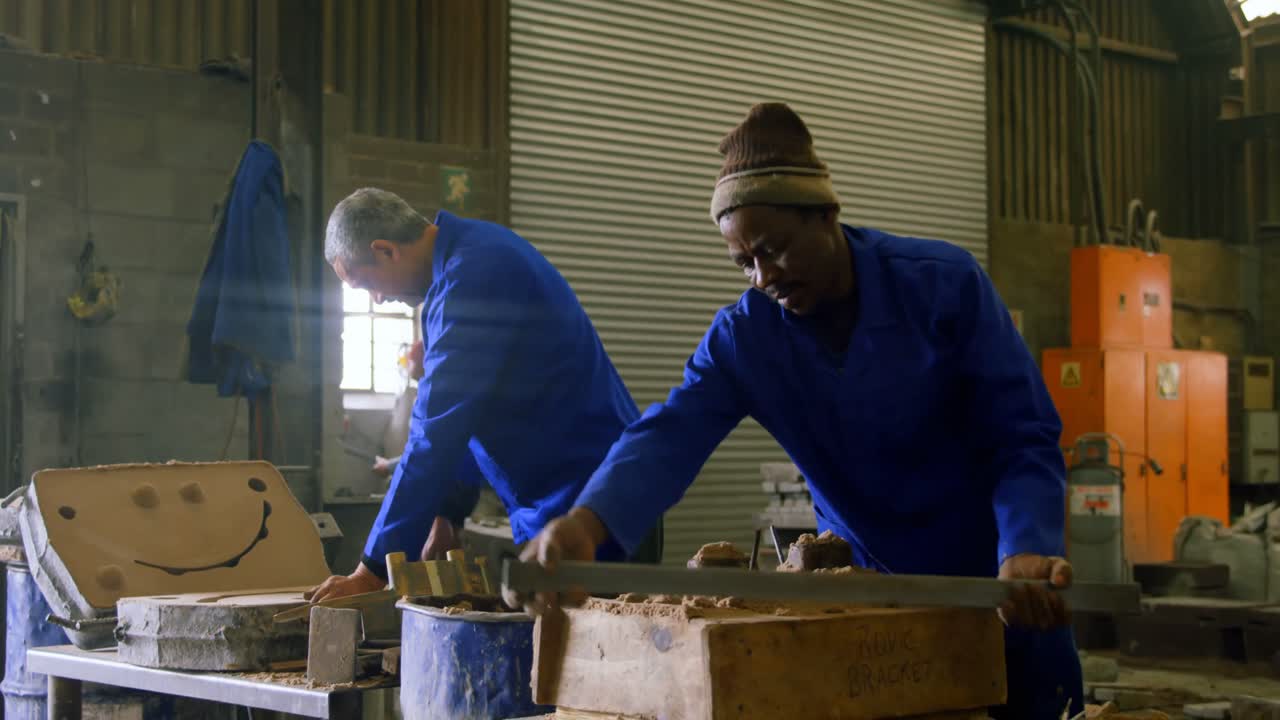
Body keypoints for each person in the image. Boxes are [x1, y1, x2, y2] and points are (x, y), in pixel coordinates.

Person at [513, 103, 1083, 718]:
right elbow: (670, 435)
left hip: (1001, 586)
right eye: (744, 263)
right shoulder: (747, 337)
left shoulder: (943, 287)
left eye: (774, 249)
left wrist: (1025, 545)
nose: (763, 276)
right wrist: (584, 525)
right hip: (871, 615)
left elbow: (1021, 436)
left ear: (827, 215)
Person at [309, 188, 662, 602]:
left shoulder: (474, 276)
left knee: (595, 660)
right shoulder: (464, 264)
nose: (379, 298)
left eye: (368, 284)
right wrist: (448, 511)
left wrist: (371, 569)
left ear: (386, 250)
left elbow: (435, 435)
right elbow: (470, 412)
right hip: (562, 505)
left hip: (595, 510)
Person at [370, 338, 480, 561]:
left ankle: (435, 592)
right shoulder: (451, 386)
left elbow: (429, 450)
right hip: (468, 482)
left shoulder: (437, 393)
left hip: (448, 483)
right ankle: (456, 590)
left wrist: (389, 466)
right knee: (452, 546)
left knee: (435, 544)